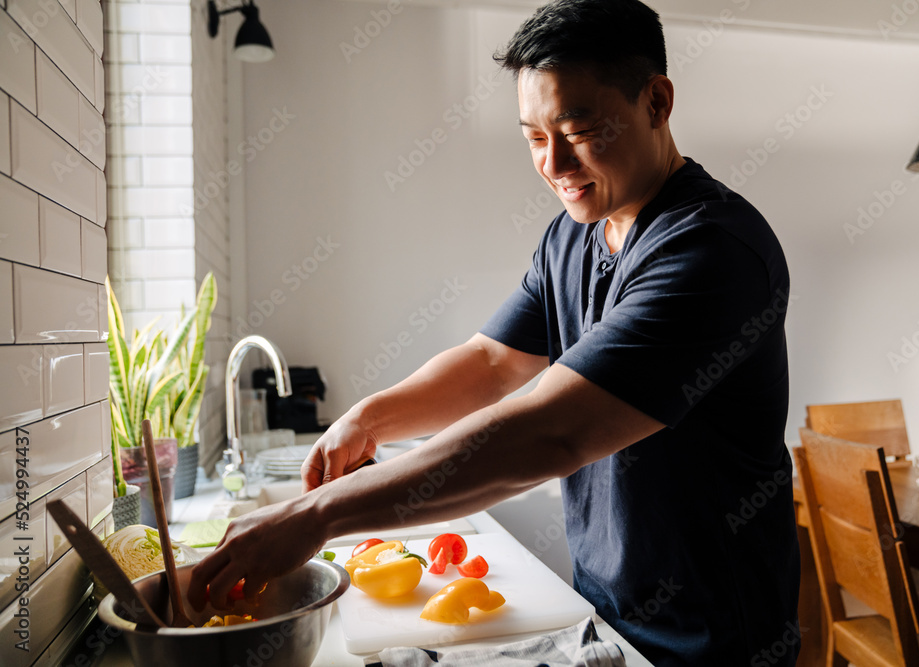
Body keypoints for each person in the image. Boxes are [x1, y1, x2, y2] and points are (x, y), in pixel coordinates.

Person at [189, 0, 799, 664]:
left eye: (579, 128)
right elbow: (492, 362)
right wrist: (369, 419)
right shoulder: (573, 234)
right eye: (535, 137)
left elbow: (548, 431)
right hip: (604, 613)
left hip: (713, 642)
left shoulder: (713, 251)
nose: (555, 163)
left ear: (656, 101)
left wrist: (318, 515)